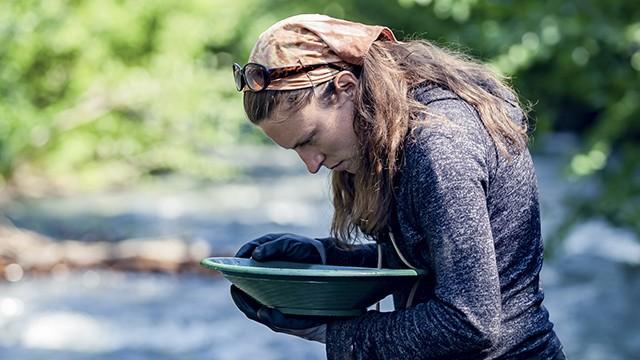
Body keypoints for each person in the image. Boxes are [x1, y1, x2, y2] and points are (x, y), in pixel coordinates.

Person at [229, 14, 565, 360]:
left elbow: (470, 322)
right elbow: (422, 264)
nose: (312, 164)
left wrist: (335, 335)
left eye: (310, 140)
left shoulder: (440, 147)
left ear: (346, 87)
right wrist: (324, 258)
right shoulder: (395, 132)